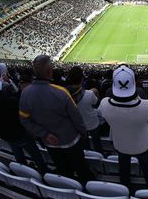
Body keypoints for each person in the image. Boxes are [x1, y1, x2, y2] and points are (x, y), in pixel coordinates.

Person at [19, 55, 93, 183]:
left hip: (49, 143)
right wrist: (83, 133)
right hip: (71, 142)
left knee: (64, 171)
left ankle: (68, 188)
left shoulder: (25, 93)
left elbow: (25, 120)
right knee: (82, 169)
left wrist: (45, 134)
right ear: (49, 71)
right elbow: (77, 119)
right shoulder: (61, 92)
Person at [0, 62, 49, 174]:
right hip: (17, 132)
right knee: (34, 153)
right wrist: (21, 90)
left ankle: (22, 168)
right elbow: (18, 104)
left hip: (2, 132)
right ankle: (44, 172)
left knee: (16, 150)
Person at [99, 65, 148, 188]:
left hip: (121, 143)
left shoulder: (104, 104)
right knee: (147, 166)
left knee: (123, 166)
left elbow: (102, 110)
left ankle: (125, 184)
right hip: (142, 143)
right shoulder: (146, 106)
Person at [66, 66, 103, 153]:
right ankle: (99, 155)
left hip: (78, 126)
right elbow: (97, 104)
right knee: (97, 144)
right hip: (92, 124)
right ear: (82, 79)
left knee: (86, 146)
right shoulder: (89, 94)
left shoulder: (65, 95)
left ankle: (89, 156)